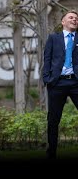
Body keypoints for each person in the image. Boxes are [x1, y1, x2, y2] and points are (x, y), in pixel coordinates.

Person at [43, 10, 78, 159]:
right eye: (71, 17)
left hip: (76, 82)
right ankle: (51, 153)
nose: (75, 20)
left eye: (76, 18)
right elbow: (47, 59)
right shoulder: (53, 38)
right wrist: (47, 79)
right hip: (57, 83)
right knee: (53, 120)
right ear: (63, 22)